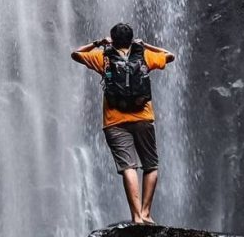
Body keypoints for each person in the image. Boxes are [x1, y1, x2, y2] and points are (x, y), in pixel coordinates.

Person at [71, 22, 175, 225]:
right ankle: (146, 213)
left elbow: (75, 53)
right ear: (131, 39)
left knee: (128, 167)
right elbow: (170, 55)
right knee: (151, 165)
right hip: (143, 118)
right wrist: (146, 46)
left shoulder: (104, 58)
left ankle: (136, 216)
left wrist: (98, 43)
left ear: (112, 39)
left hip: (114, 122)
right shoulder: (144, 56)